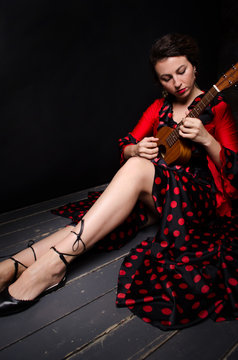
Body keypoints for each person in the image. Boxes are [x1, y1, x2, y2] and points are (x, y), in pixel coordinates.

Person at [0, 33, 238, 330]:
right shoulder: (158, 108)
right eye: (166, 78)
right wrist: (135, 149)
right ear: (159, 82)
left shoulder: (218, 109)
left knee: (135, 173)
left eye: (182, 71)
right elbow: (126, 143)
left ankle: (52, 266)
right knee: (103, 221)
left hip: (196, 200)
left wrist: (206, 139)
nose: (177, 83)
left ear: (195, 67)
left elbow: (234, 170)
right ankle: (12, 265)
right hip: (159, 197)